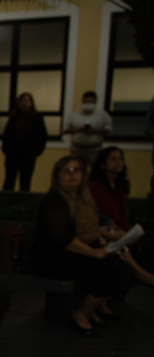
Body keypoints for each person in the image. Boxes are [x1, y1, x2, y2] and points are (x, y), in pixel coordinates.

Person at [29, 155, 146, 334]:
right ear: (57, 176)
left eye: (77, 170)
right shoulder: (55, 201)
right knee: (113, 271)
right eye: (67, 171)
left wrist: (104, 237)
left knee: (119, 266)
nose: (72, 175)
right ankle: (82, 313)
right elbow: (62, 238)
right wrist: (94, 252)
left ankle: (92, 309)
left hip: (77, 251)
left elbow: (90, 227)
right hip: (56, 258)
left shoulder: (82, 199)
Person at [1, 91, 47, 191]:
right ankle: (6, 199)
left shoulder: (37, 118)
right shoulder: (13, 118)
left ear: (31, 103)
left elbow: (42, 135)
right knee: (9, 180)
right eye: (22, 101)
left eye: (27, 101)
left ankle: (23, 199)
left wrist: (37, 150)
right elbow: (7, 135)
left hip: (29, 154)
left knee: (25, 181)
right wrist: (6, 150)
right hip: (13, 154)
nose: (25, 103)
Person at [64, 90, 112, 167]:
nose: (88, 104)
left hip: (95, 150)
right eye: (85, 102)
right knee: (77, 169)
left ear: (95, 102)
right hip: (77, 149)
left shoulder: (103, 115)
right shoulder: (74, 115)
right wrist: (78, 129)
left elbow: (108, 130)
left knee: (96, 170)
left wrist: (94, 131)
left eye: (90, 102)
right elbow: (65, 130)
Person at [89, 146, 132, 230]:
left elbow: (123, 215)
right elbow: (110, 211)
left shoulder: (120, 186)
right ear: (103, 165)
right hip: (104, 227)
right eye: (113, 159)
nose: (118, 162)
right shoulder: (95, 186)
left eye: (120, 159)